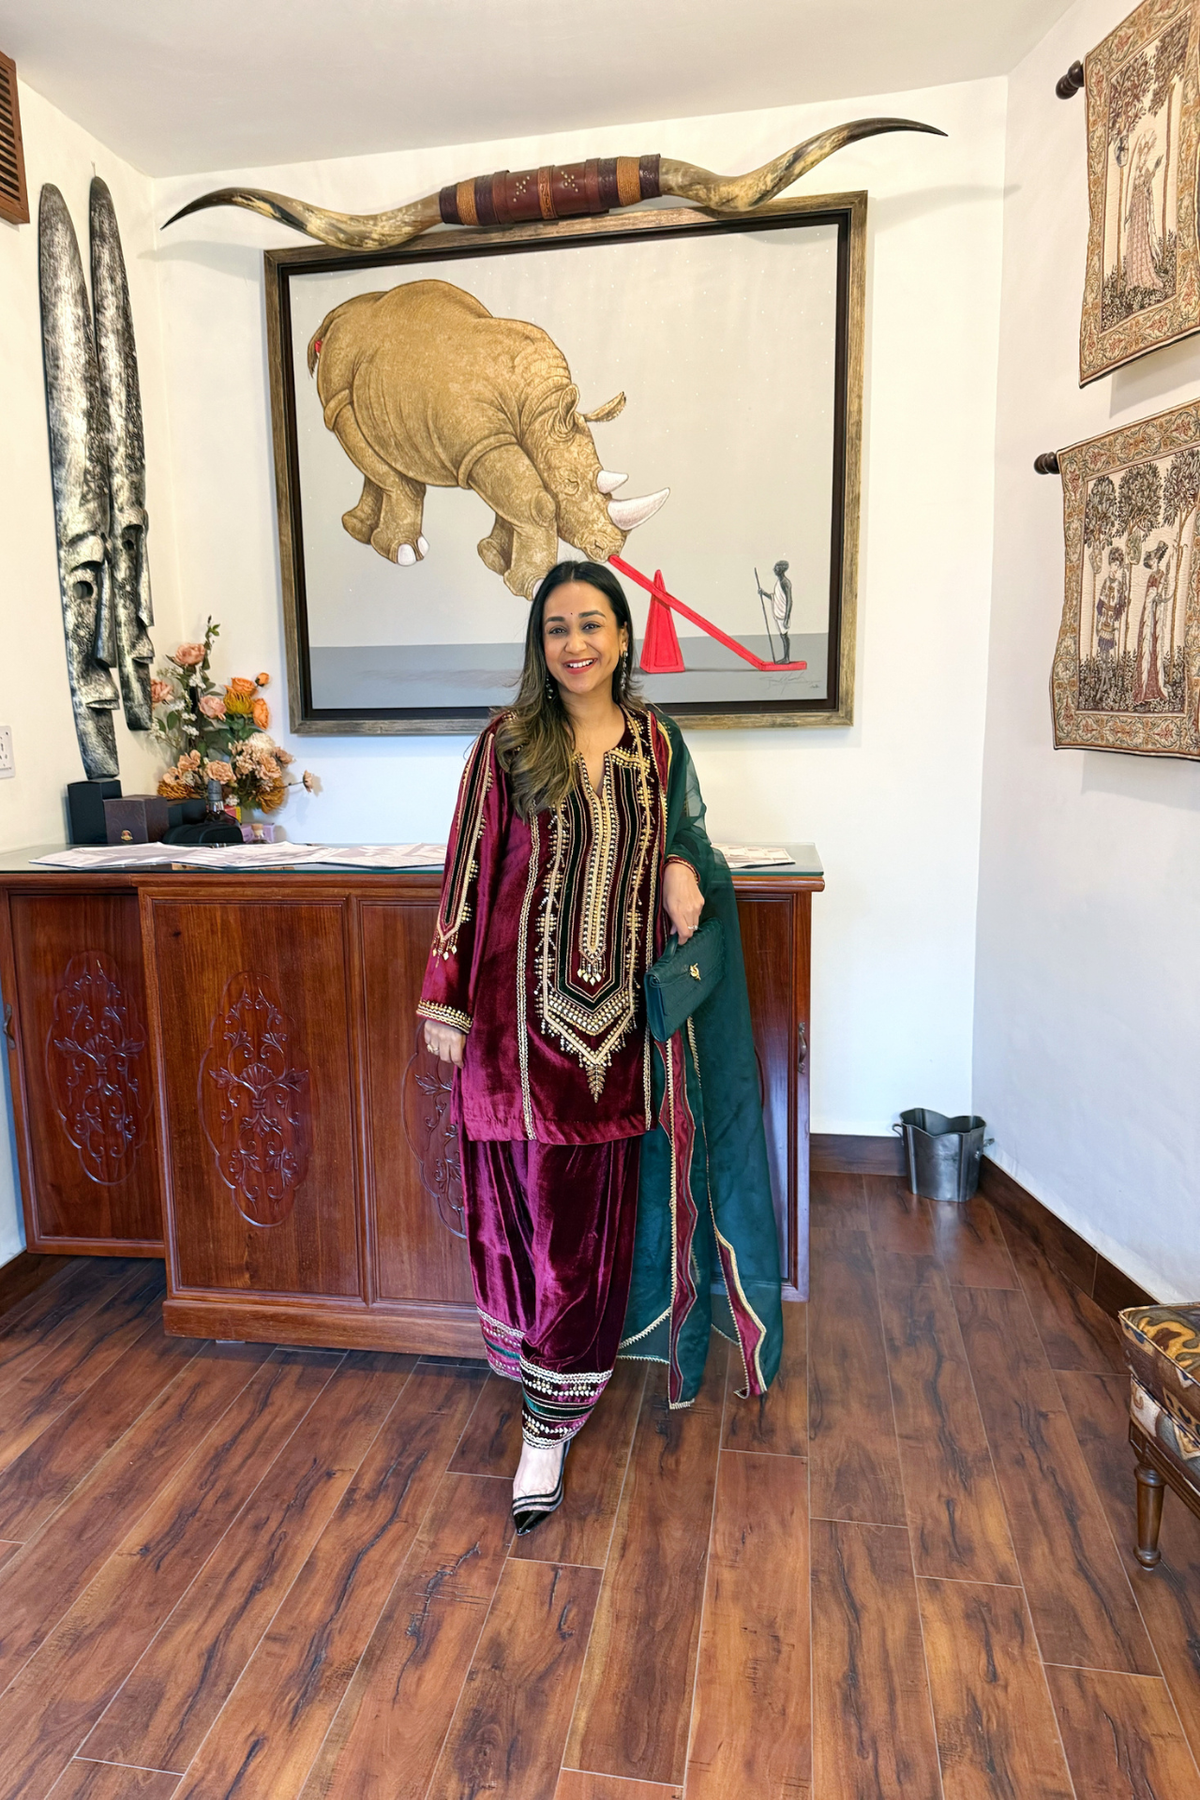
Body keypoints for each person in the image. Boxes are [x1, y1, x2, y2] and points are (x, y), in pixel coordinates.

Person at [417, 560, 783, 1533]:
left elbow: (682, 834)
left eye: (591, 624)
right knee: (516, 1240)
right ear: (539, 647)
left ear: (622, 637)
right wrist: (445, 1000)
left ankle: (547, 1428)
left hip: (613, 1048)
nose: (574, 644)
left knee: (585, 1247)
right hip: (508, 1038)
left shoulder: (658, 745)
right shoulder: (506, 745)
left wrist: (678, 867)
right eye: (556, 629)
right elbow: (466, 872)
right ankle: (533, 1388)